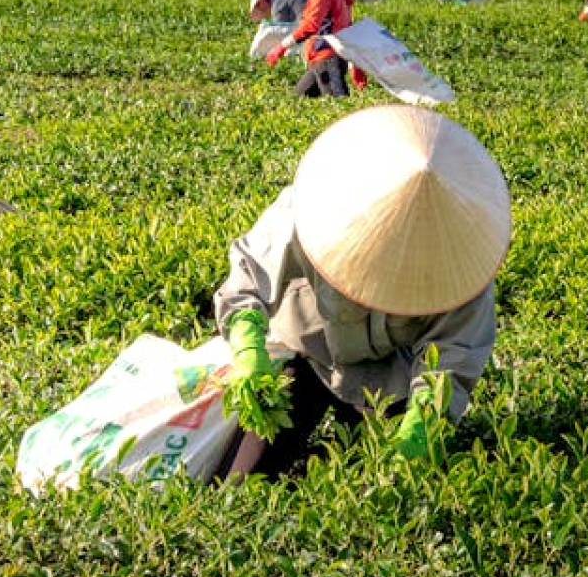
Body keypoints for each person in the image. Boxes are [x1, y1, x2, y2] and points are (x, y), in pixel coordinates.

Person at [213, 103, 511, 477]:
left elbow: (452, 359)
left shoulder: (465, 266)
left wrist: (422, 424)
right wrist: (247, 347)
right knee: (244, 478)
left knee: (389, 485)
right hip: (307, 351)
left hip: (389, 376)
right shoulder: (307, 209)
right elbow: (248, 276)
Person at [265, 0, 360, 98]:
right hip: (323, 58)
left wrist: (281, 47)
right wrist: (354, 65)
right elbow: (347, 28)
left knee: (338, 106)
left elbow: (311, 24)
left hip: (327, 56)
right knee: (299, 98)